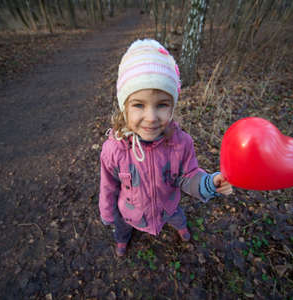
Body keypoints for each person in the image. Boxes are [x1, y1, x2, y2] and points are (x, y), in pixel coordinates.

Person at [99, 39, 233, 257]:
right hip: (130, 214)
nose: (151, 118)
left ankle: (181, 228)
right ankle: (122, 240)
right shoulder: (114, 150)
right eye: (138, 105)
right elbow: (108, 187)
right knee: (122, 229)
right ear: (124, 107)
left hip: (168, 207)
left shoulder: (180, 144)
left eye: (161, 105)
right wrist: (107, 214)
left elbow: (188, 176)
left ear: (172, 107)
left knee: (178, 216)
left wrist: (210, 182)